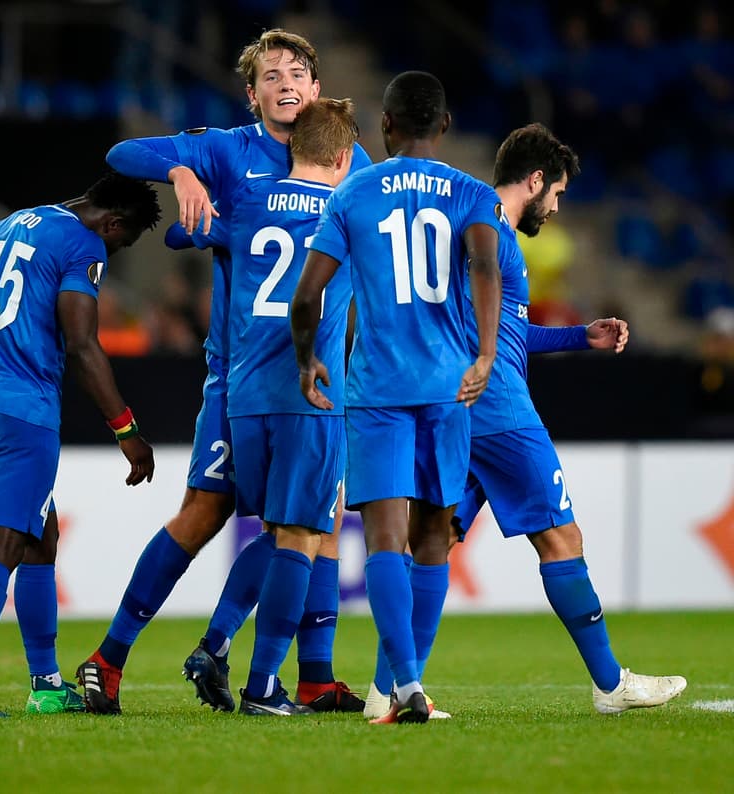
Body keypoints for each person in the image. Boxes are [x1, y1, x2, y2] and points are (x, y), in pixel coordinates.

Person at [78, 28, 372, 716]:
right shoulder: (227, 150)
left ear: (316, 88)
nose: (287, 83)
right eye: (272, 75)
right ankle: (116, 656)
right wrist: (180, 172)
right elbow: (123, 154)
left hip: (291, 376)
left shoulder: (346, 156)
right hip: (240, 373)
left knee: (315, 514)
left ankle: (314, 675)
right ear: (253, 95)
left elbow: (197, 235)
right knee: (225, 514)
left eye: (298, 71)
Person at [361, 123, 687, 717]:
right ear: (534, 181)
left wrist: (576, 336)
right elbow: (492, 340)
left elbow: (508, 330)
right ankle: (611, 684)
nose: (557, 207)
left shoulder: (481, 229)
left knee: (435, 538)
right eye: (556, 193)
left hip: (458, 407)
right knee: (561, 537)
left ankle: (388, 690)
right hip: (501, 412)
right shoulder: (490, 229)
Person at [0, 172, 161, 717]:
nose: (114, 251)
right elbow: (83, 345)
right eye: (123, 241)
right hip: (24, 413)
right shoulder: (82, 244)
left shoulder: (4, 227)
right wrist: (127, 429)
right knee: (0, 541)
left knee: (40, 538)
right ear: (113, 223)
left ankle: (46, 685)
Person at [291, 71, 502, 725]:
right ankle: (408, 690)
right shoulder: (471, 193)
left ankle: (402, 688)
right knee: (435, 535)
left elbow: (307, 295)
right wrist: (487, 353)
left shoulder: (353, 193)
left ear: (385, 126)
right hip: (447, 387)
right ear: (444, 126)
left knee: (383, 536)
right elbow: (487, 268)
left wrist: (307, 358)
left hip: (378, 388)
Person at [209, 98, 359, 715]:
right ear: (344, 157)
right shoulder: (347, 211)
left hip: (245, 395)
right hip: (310, 391)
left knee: (277, 534)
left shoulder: (248, 201)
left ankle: (216, 646)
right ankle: (264, 685)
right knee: (301, 536)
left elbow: (181, 231)